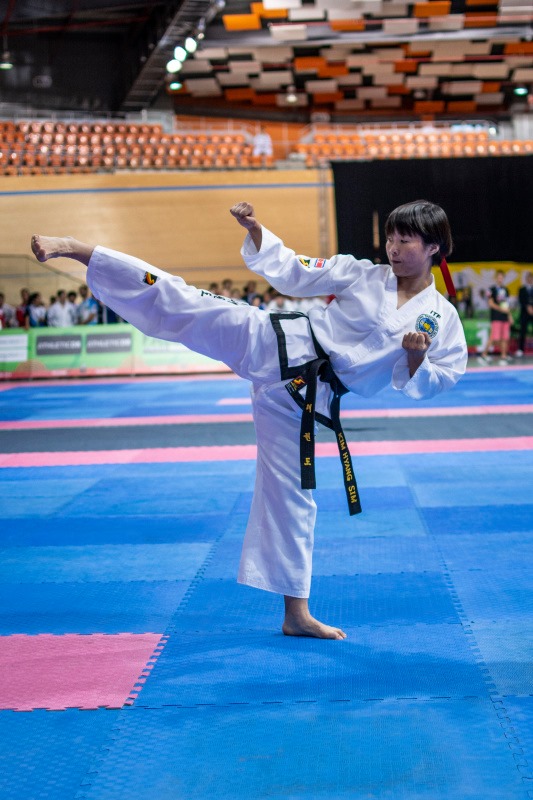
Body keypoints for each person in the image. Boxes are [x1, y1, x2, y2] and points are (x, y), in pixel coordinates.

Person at [30, 199, 467, 640]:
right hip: (277, 340)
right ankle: (78, 249)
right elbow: (293, 270)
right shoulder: (361, 273)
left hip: (306, 399)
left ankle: (296, 614)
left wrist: (417, 359)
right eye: (390, 238)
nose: (393, 248)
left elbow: (440, 378)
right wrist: (257, 231)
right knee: (184, 299)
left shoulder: (442, 318)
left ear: (433, 246)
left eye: (404, 240)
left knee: (293, 496)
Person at [477, 269, 514, 365]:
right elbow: (490, 304)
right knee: (494, 337)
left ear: (503, 278)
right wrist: (502, 310)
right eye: (499, 277)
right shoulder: (491, 290)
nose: (500, 279)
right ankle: (484, 355)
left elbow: (507, 305)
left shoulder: (506, 290)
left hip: (505, 317)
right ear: (496, 278)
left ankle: (503, 356)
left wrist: (509, 316)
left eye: (502, 277)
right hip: (496, 317)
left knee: (505, 337)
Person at [515, 271, 533, 357]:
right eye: (528, 278)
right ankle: (520, 349)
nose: (530, 279)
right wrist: (527, 307)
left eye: (531, 278)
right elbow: (521, 300)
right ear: (526, 279)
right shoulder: (521, 289)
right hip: (524, 313)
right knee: (522, 331)